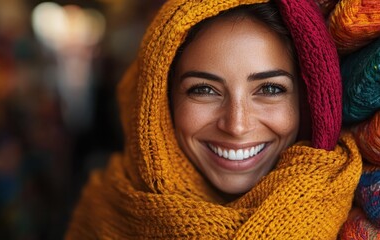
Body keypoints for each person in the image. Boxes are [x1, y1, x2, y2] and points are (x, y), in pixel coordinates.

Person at [66, 0, 362, 239]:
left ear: (308, 102)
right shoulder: (100, 217)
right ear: (159, 102)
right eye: (204, 90)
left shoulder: (360, 217)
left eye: (270, 89)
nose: (236, 125)